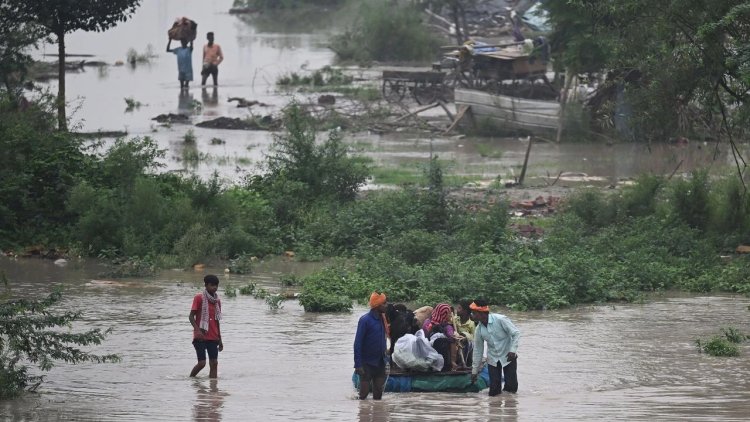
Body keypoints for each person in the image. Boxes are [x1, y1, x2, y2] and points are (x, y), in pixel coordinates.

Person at [470, 300, 521, 396]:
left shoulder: (501, 320)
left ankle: (510, 409)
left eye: (474, 313)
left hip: (508, 356)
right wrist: (474, 371)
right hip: (493, 359)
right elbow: (478, 351)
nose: (472, 315)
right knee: (494, 392)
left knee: (511, 389)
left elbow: (516, 333)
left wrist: (512, 351)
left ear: (482, 314)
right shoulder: (479, 330)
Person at [353, 292, 389, 400]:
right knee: (363, 396)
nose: (386, 305)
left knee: (378, 396)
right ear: (378, 306)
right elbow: (357, 343)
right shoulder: (365, 320)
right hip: (366, 363)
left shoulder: (383, 319)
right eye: (384, 303)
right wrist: (358, 364)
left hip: (380, 362)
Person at [189, 275, 224, 378]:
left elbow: (217, 321)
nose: (214, 288)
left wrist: (220, 339)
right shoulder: (199, 298)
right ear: (206, 285)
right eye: (212, 285)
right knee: (202, 363)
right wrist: (197, 330)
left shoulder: (217, 301)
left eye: (216, 286)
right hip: (200, 337)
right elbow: (191, 317)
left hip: (213, 336)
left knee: (214, 363)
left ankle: (213, 388)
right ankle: (191, 380)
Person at [422, 303, 458, 371]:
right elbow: (452, 340)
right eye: (449, 313)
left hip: (427, 355)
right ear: (444, 314)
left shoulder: (427, 322)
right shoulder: (448, 327)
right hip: (441, 357)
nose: (450, 315)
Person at [452, 300, 476, 367]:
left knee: (467, 339)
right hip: (456, 343)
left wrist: (465, 338)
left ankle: (464, 363)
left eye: (459, 308)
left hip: (466, 345)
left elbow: (474, 337)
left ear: (465, 311)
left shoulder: (471, 323)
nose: (457, 309)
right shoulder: (455, 319)